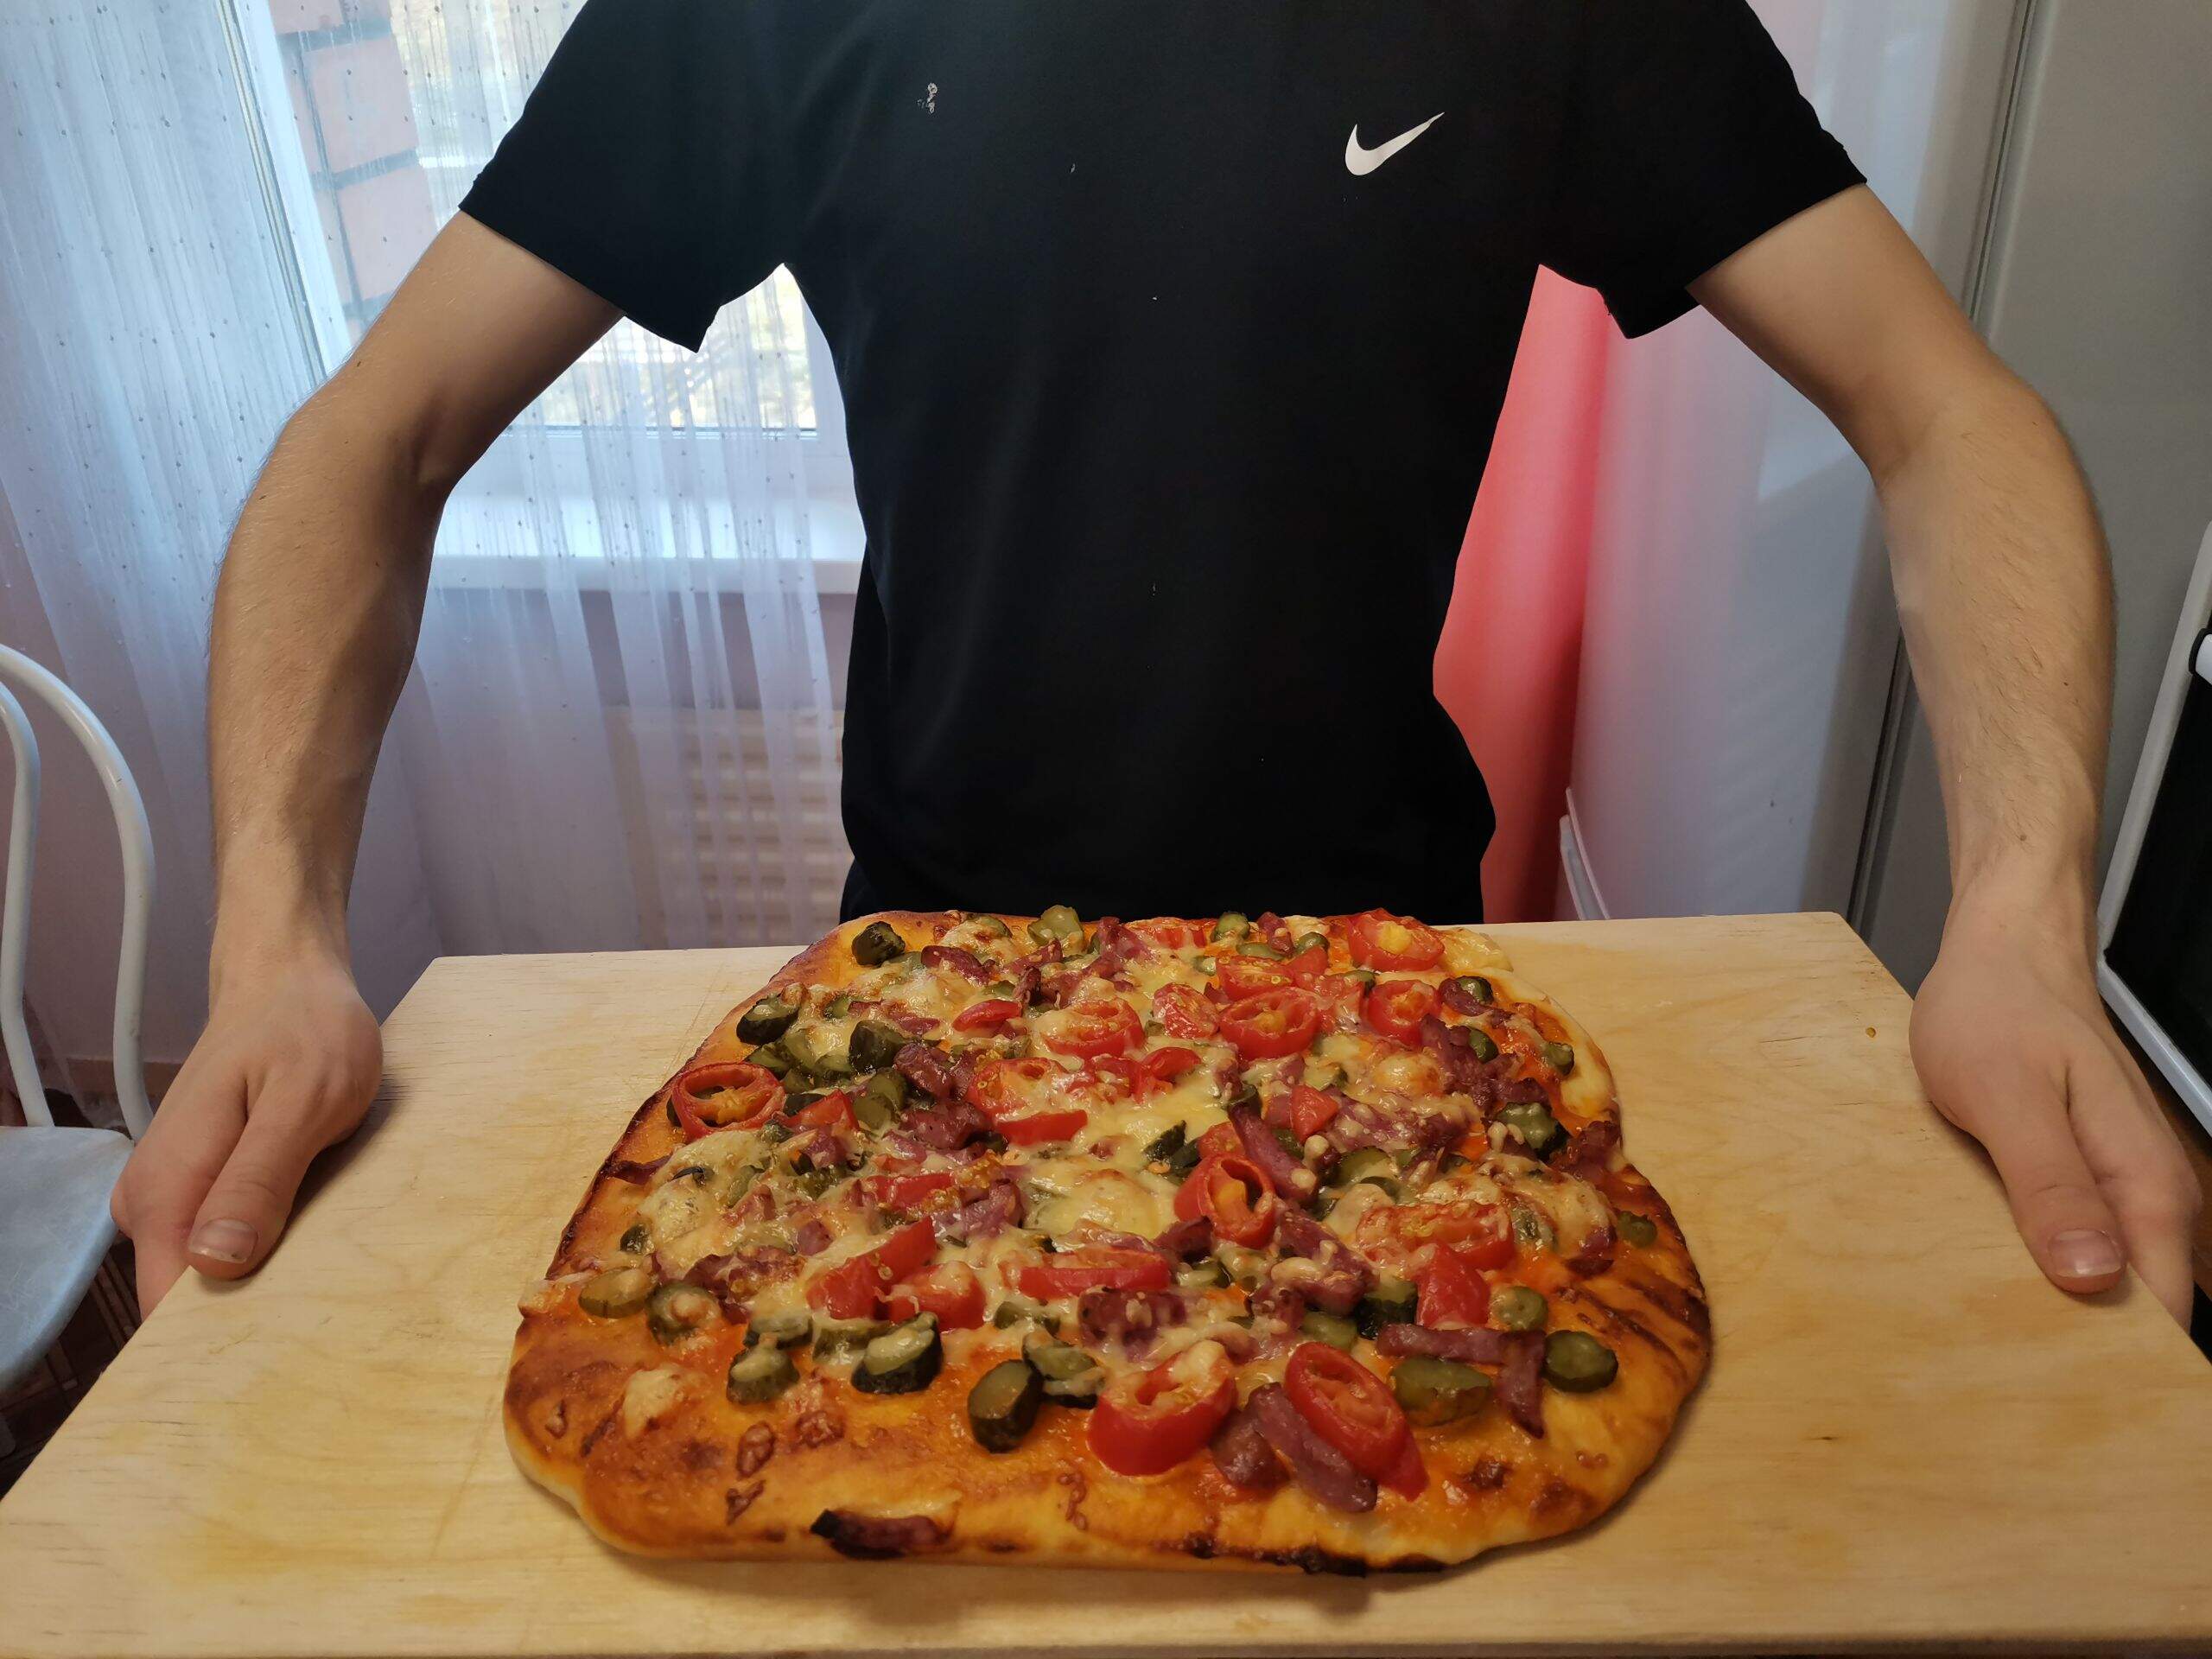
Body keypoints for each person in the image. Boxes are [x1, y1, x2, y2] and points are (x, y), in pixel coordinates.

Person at [112, 0, 2199, 1323]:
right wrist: (271, 943)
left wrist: (2017, 922)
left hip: (1391, 1011)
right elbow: (373, 439)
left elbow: (1946, 413)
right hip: (934, 1012)